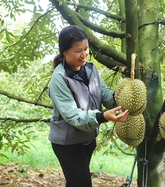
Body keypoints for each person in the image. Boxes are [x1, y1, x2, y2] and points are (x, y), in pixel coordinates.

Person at [48, 25, 129, 187]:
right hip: (67, 143)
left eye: (86, 49)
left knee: (75, 183)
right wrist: (103, 116)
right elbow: (73, 116)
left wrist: (123, 96)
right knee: (82, 183)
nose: (84, 54)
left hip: (88, 139)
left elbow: (104, 94)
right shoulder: (59, 79)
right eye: (78, 51)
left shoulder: (91, 68)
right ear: (64, 51)